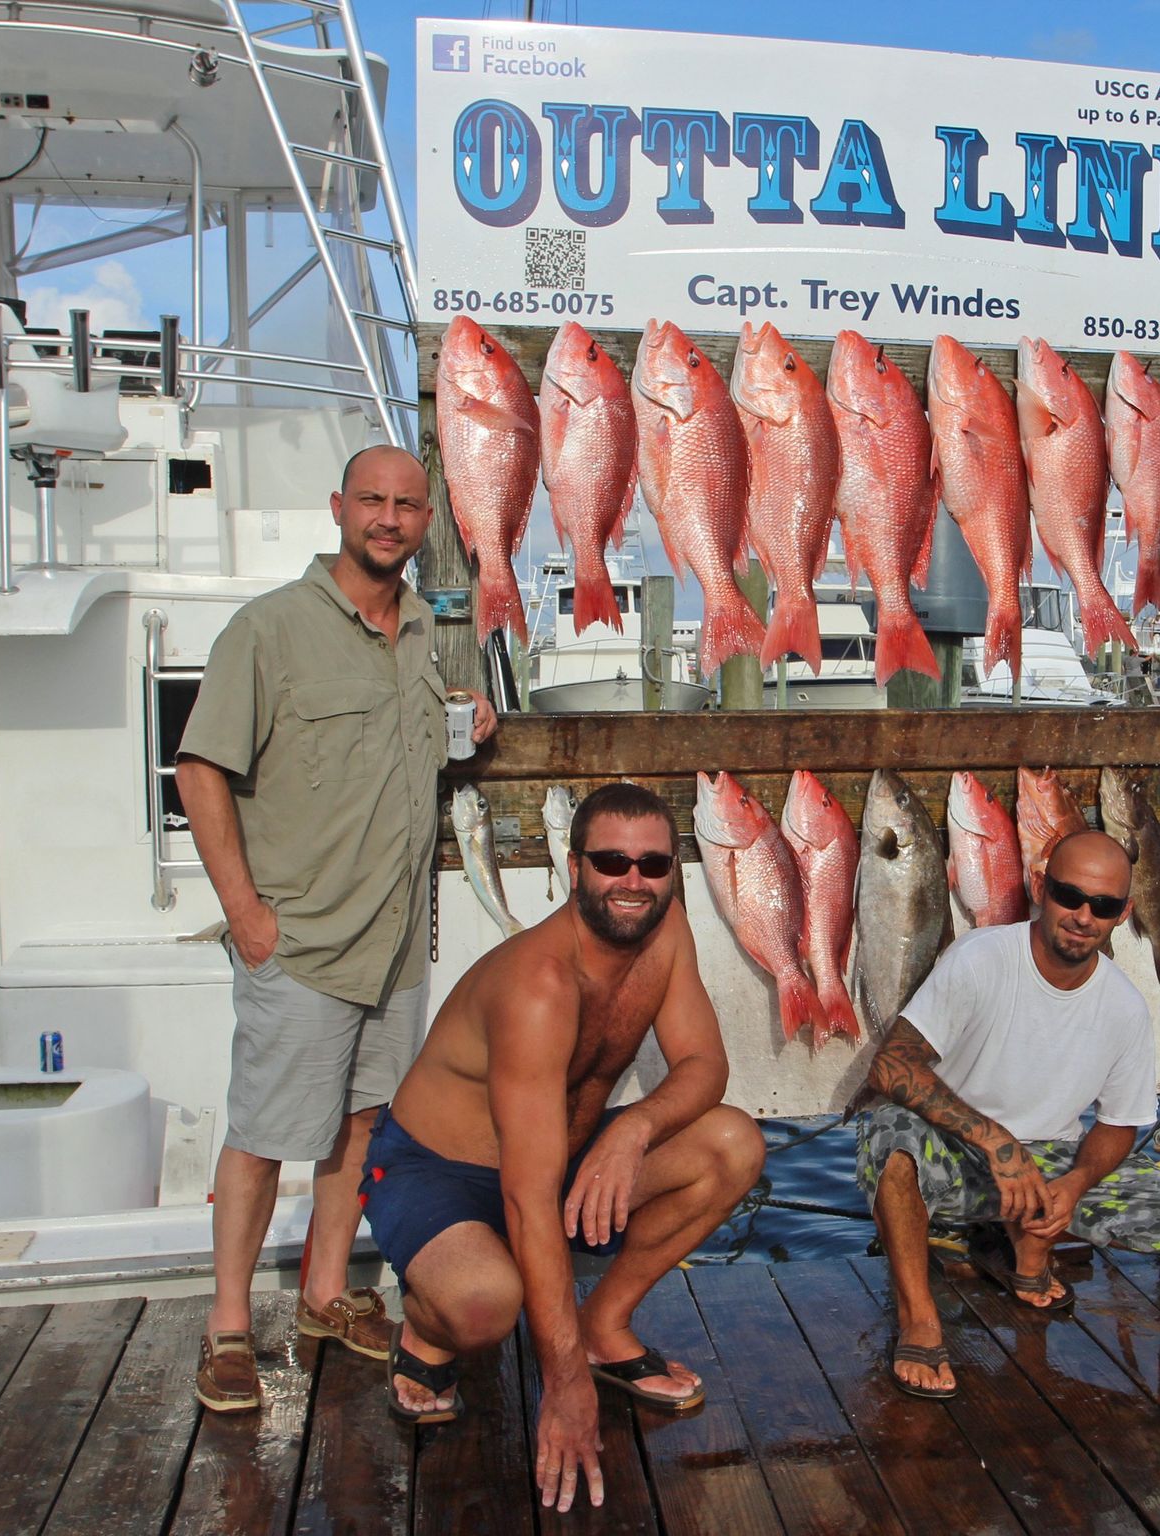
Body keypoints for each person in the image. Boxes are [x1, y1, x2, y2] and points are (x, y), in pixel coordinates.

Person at [177, 444, 495, 1415]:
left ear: (424, 520)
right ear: (338, 509)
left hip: (395, 948)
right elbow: (200, 771)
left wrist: (462, 725)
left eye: (406, 504)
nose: (389, 519)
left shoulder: (423, 635)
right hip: (304, 943)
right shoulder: (266, 631)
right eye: (372, 501)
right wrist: (246, 915)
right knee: (267, 1136)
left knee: (361, 1128)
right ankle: (230, 1328)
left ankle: (325, 1296)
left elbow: (402, 749)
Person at [359, 782, 764, 1515]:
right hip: (439, 1171)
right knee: (485, 1305)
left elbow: (706, 1065)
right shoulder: (538, 986)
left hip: (555, 1161)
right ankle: (422, 1327)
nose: (633, 882)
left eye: (653, 864)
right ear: (573, 868)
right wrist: (564, 1385)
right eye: (612, 862)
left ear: (676, 870)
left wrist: (631, 1127)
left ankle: (603, 1326)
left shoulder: (665, 933)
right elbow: (524, 1194)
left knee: (733, 1143)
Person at [855, 830, 1160, 1400]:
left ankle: (1029, 1241)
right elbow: (891, 1067)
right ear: (1040, 887)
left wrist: (1074, 1184)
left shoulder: (1124, 1005)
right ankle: (920, 1319)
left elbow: (1121, 1123)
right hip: (958, 1153)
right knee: (890, 1140)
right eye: (1069, 895)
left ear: (1122, 915)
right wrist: (995, 1142)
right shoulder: (980, 957)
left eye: (1102, 906)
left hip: (1047, 1164)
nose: (1082, 916)